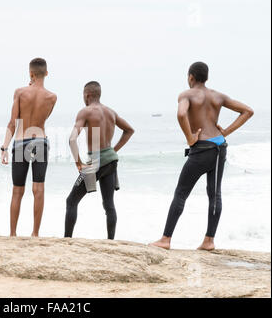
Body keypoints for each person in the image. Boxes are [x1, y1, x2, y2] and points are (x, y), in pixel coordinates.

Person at [150, 62, 254, 251]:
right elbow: (248, 111)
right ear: (206, 77)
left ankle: (166, 239)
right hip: (219, 148)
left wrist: (190, 137)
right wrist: (226, 132)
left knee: (181, 193)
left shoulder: (186, 95)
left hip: (201, 149)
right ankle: (209, 240)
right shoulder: (218, 96)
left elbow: (181, 114)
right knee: (215, 194)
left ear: (191, 77)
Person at [65, 81, 135, 239]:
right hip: (111, 161)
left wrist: (79, 163)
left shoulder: (85, 112)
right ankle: (110, 240)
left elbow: (71, 140)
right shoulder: (110, 112)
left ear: (87, 95)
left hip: (95, 162)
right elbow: (129, 130)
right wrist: (113, 150)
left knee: (71, 201)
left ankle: (67, 240)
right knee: (108, 204)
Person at [0, 58, 57, 237]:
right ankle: (35, 234)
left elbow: (12, 123)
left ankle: (13, 234)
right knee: (38, 189)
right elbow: (44, 117)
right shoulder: (52, 97)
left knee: (18, 190)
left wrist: (4, 148)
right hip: (40, 141)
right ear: (46, 73)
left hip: (21, 142)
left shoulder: (20, 92)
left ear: (30, 73)